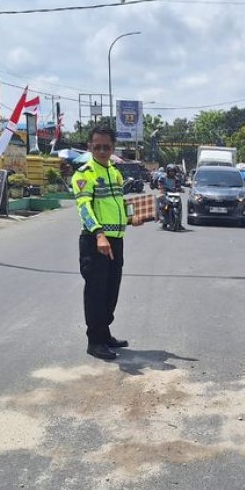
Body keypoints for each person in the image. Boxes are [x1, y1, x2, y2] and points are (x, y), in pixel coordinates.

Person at [73, 124, 144, 360]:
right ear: (90, 147)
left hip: (116, 240)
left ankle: (105, 334)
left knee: (111, 290)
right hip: (96, 242)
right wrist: (99, 235)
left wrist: (132, 217)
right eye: (97, 147)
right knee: (96, 292)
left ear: (113, 147)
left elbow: (117, 203)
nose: (102, 151)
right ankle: (94, 341)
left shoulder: (115, 172)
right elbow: (84, 208)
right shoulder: (84, 173)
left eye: (106, 147)